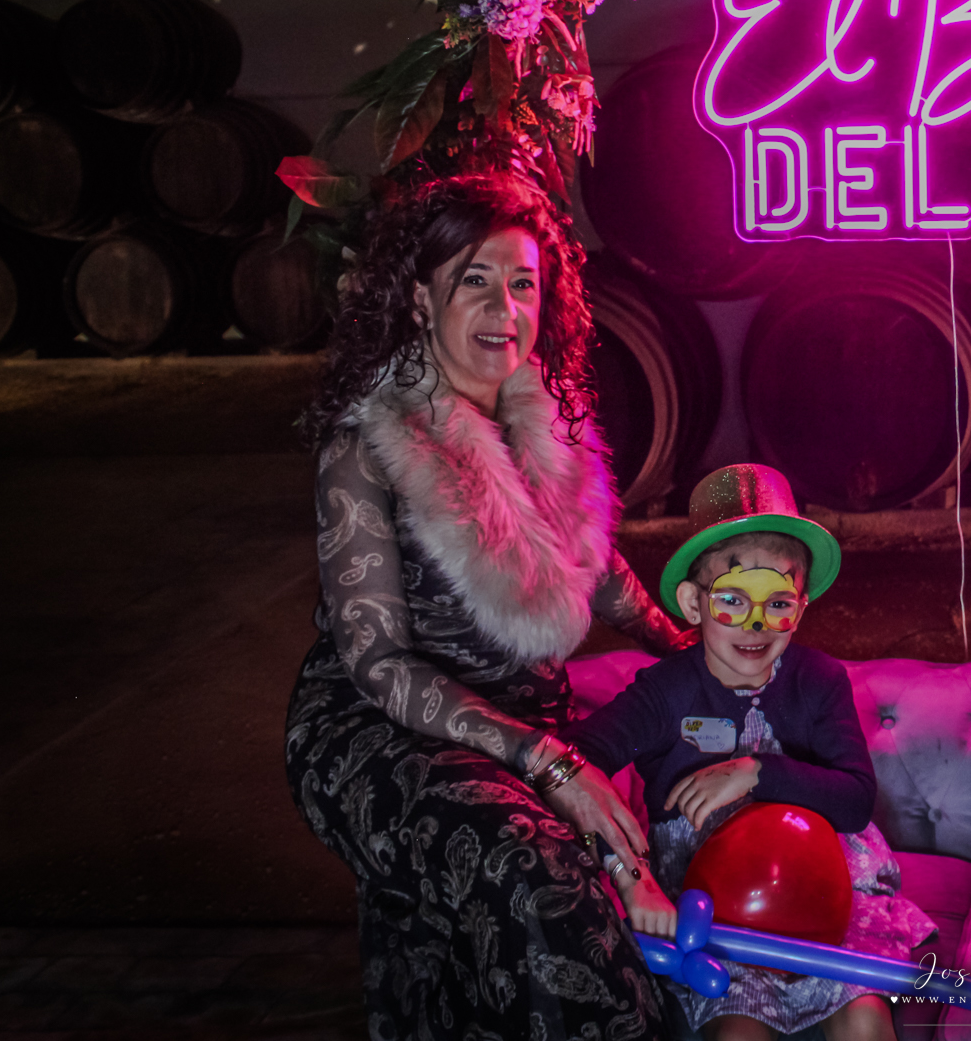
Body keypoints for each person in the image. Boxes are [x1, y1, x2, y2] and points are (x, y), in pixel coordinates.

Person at [284, 173, 692, 1039]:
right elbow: (378, 661)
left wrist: (683, 642)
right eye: (474, 278)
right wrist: (548, 761)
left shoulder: (547, 416)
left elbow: (592, 564)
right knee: (530, 868)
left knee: (585, 875)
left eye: (522, 283)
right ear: (420, 297)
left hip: (524, 716)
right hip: (378, 727)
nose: (504, 307)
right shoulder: (369, 444)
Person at [564, 463, 937, 1041]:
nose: (756, 625)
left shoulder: (819, 680)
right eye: (733, 600)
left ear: (801, 606)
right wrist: (629, 874)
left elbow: (856, 800)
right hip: (717, 916)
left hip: (826, 899)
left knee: (865, 1021)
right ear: (693, 603)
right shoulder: (665, 693)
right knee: (738, 1033)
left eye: (778, 603)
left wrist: (756, 772)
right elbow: (572, 767)